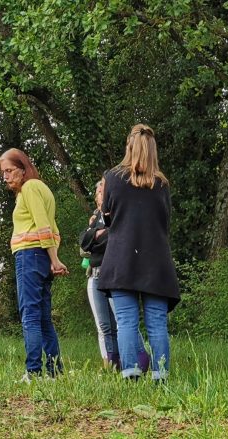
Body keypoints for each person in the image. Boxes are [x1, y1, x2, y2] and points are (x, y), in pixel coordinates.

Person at [98, 124, 180, 381]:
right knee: (157, 322)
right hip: (156, 262)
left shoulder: (112, 178)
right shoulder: (162, 183)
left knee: (126, 322)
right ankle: (161, 375)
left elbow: (108, 217)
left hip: (122, 259)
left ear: (128, 146)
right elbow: (164, 223)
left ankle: (131, 372)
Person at [0, 148, 69, 380]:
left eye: (9, 170)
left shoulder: (29, 188)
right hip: (40, 256)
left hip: (29, 255)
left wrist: (55, 259)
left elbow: (43, 226)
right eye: (3, 173)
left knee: (29, 314)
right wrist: (52, 257)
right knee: (42, 317)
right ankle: (54, 370)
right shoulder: (42, 189)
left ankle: (34, 371)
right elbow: (52, 228)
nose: (6, 177)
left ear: (23, 168)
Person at [80, 179, 121, 369]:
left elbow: (112, 240)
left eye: (103, 192)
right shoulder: (94, 218)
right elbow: (83, 244)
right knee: (103, 326)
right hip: (94, 275)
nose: (100, 196)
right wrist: (95, 236)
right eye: (98, 193)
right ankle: (109, 364)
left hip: (113, 273)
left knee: (120, 322)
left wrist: (94, 238)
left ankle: (129, 360)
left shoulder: (118, 214)